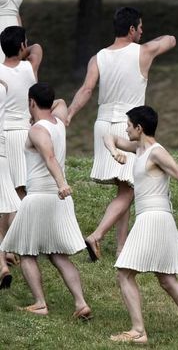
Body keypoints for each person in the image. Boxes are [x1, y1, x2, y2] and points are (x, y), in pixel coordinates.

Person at [105, 105, 178, 348]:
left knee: (124, 273)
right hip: (153, 217)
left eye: (129, 125)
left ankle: (138, 331)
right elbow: (109, 136)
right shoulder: (139, 148)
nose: (126, 129)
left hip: (154, 219)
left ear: (139, 128)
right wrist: (113, 151)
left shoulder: (157, 153)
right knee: (167, 279)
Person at [67, 7, 176, 260]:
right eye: (140, 27)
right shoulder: (144, 51)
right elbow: (171, 39)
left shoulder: (98, 57)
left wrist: (71, 112)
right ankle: (96, 235)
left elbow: (86, 90)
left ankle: (121, 246)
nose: (142, 31)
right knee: (131, 188)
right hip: (129, 127)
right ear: (131, 30)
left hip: (103, 125)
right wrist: (148, 43)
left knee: (125, 187)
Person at [0, 83, 90, 318]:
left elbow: (49, 157)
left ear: (31, 102)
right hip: (58, 199)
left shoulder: (37, 130)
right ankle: (81, 303)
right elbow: (61, 103)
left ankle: (40, 303)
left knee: (26, 252)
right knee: (58, 254)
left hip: (41, 196)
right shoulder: (59, 120)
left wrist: (61, 183)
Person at [0, 26, 41, 198]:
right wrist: (24, 51)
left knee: (6, 191)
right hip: (23, 132)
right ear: (23, 46)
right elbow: (37, 47)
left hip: (3, 131)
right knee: (22, 189)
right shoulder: (29, 68)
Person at [0, 79, 20, 287]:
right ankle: (8, 253)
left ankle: (2, 264)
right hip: (1, 155)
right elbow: (5, 83)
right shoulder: (2, 89)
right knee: (8, 203)